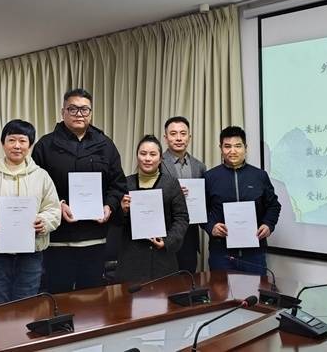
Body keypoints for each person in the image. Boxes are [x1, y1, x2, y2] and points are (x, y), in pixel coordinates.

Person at [32, 88, 127, 293]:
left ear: (91, 113)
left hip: (95, 237)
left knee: (92, 299)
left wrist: (109, 206)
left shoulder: (105, 145)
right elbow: (35, 187)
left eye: (84, 109)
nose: (79, 114)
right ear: (63, 112)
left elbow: (118, 184)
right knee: (58, 296)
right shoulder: (45, 146)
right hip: (58, 239)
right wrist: (58, 205)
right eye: (73, 109)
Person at [0, 119, 61, 305]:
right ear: (3, 143)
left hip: (30, 257)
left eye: (22, 141)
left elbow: (54, 210)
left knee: (26, 310)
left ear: (30, 145)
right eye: (11, 140)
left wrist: (43, 222)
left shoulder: (42, 176)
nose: (17, 146)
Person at [203, 126, 281, 275]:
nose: (232, 151)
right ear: (221, 148)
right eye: (227, 146)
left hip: (254, 254)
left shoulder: (259, 176)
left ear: (245, 148)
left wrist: (268, 225)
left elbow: (273, 206)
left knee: (255, 289)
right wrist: (211, 226)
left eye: (238, 146)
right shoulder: (210, 177)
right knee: (221, 290)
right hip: (221, 253)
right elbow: (201, 211)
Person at [116, 135, 189, 283]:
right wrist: (122, 210)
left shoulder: (171, 184)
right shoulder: (125, 184)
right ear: (137, 156)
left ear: (160, 159)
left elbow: (182, 218)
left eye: (153, 154)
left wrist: (167, 241)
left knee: (164, 296)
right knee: (130, 297)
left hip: (162, 259)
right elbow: (115, 222)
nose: (147, 158)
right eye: (143, 154)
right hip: (131, 259)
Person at [160, 116, 207, 273]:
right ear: (166, 138)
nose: (179, 138)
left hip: (190, 234)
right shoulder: (156, 163)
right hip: (165, 232)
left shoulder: (199, 167)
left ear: (189, 137)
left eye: (183, 133)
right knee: (165, 282)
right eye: (173, 134)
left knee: (188, 279)